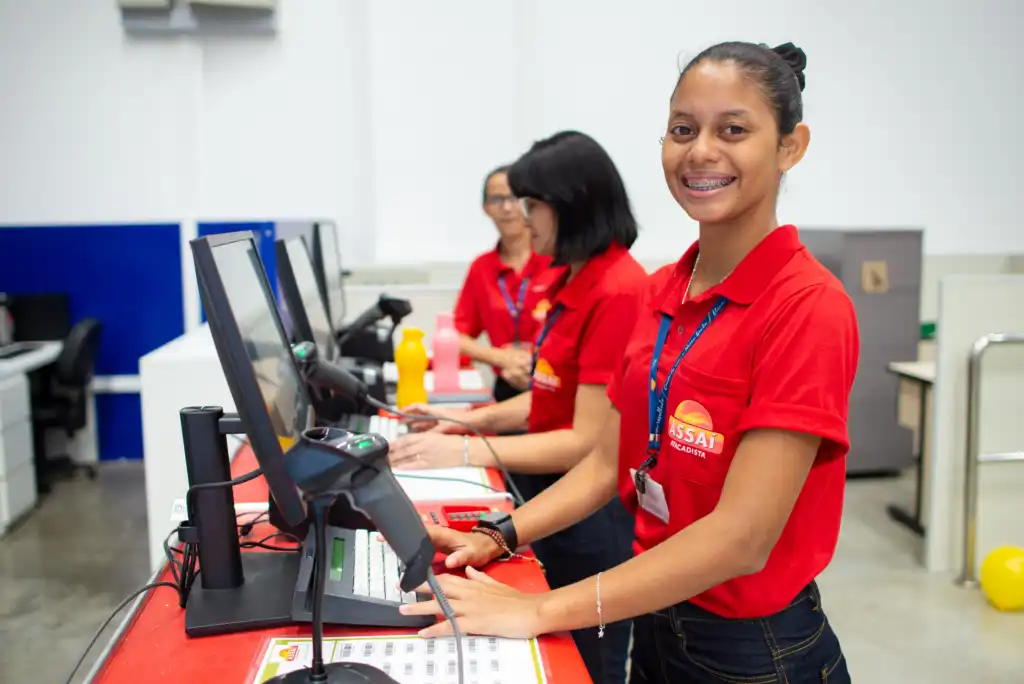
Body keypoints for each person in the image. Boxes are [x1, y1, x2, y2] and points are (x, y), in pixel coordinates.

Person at [397, 42, 859, 684]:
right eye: (682, 130)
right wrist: (500, 534)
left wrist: (539, 610)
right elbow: (608, 462)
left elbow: (743, 537)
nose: (700, 151)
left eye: (733, 130)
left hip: (752, 651)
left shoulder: (807, 306)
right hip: (656, 617)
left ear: (790, 147)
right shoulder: (662, 290)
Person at [391, 131, 648, 684]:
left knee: (589, 662)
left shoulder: (617, 290)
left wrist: (464, 449)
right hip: (550, 491)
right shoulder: (572, 277)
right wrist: (468, 421)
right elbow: (554, 393)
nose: (524, 221)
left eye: (533, 206)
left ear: (571, 205)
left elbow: (586, 440)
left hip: (589, 509)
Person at [452, 165, 560, 404]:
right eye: (497, 199)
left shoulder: (558, 259)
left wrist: (533, 361)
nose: (507, 208)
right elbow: (455, 337)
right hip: (507, 385)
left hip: (557, 382)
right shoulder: (482, 268)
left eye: (514, 198)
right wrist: (501, 358)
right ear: (485, 208)